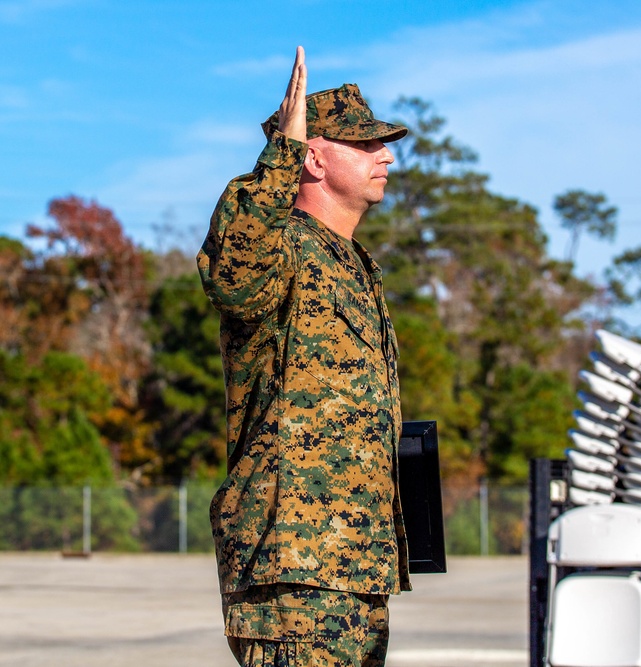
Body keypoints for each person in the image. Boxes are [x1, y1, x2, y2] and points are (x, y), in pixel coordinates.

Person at [197, 47, 410, 667]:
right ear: (315, 156)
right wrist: (280, 156)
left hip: (354, 567)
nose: (386, 156)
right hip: (292, 571)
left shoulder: (352, 264)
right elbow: (235, 272)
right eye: (365, 144)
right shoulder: (283, 247)